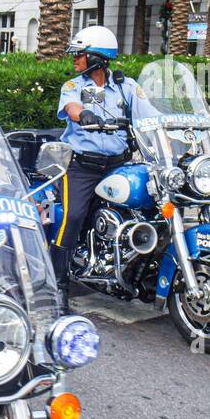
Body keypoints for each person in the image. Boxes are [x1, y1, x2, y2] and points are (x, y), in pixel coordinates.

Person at [51, 25, 147, 313]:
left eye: (80, 54)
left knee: (147, 205)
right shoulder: (74, 86)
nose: (75, 59)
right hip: (81, 167)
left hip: (119, 164)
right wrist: (84, 114)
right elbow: (72, 108)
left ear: (98, 57)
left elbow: (150, 115)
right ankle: (57, 285)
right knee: (73, 215)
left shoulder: (127, 87)